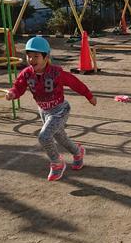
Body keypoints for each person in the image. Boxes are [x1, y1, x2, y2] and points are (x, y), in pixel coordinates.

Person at [5, 36, 97, 181]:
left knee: (44, 136)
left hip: (60, 110)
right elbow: (19, 86)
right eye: (29, 56)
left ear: (46, 57)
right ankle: (78, 152)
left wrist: (89, 95)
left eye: (36, 56)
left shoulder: (56, 73)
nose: (31, 60)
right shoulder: (27, 73)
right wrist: (13, 93)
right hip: (44, 111)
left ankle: (57, 163)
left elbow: (74, 83)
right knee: (60, 137)